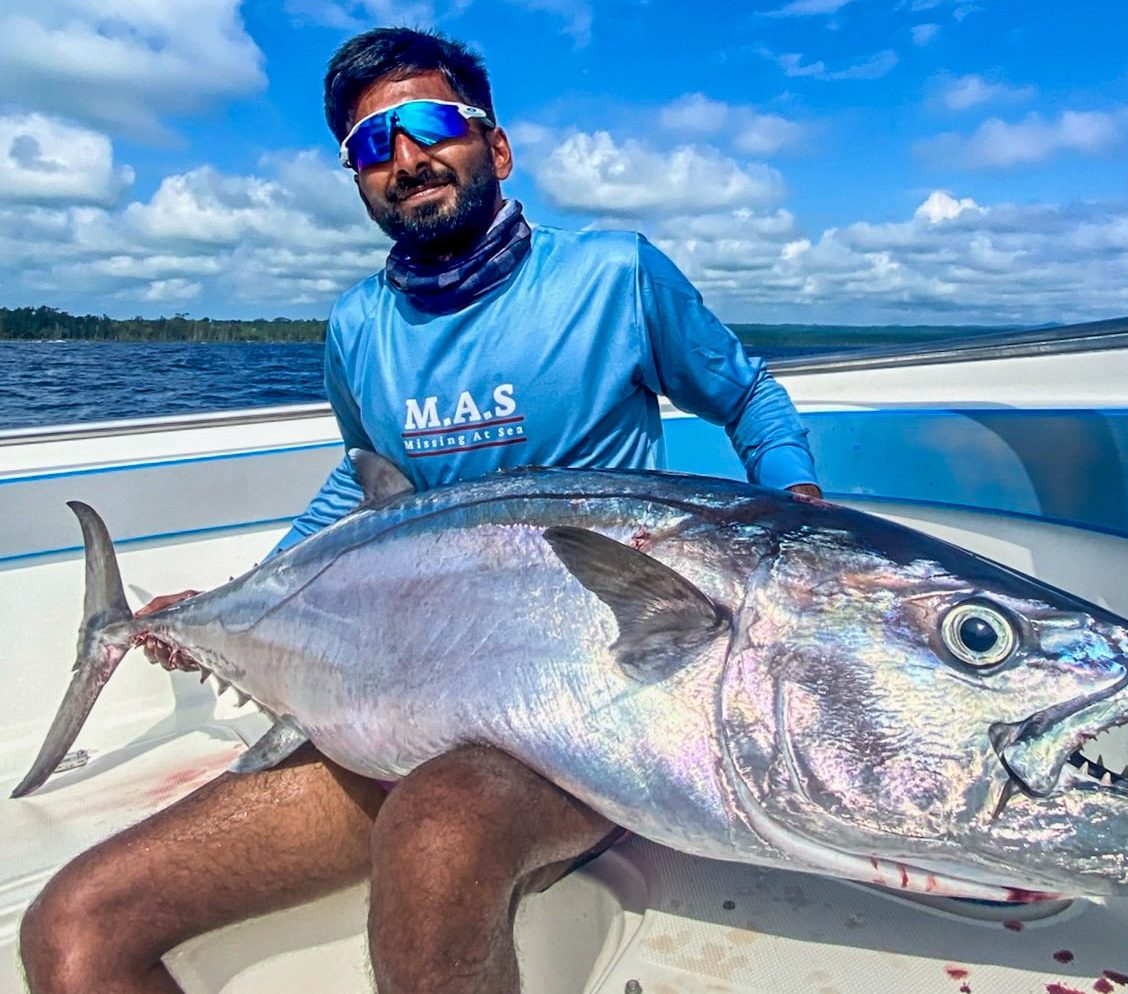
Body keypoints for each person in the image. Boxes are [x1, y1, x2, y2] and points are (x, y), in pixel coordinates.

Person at [19, 26, 819, 994]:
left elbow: (746, 397)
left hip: (583, 709)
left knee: (437, 833)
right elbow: (361, 481)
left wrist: (798, 531)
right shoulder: (359, 323)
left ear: (496, 146)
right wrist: (240, 599)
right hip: (395, 690)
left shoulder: (613, 274)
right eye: (368, 145)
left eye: (431, 123)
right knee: (76, 929)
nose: (404, 158)